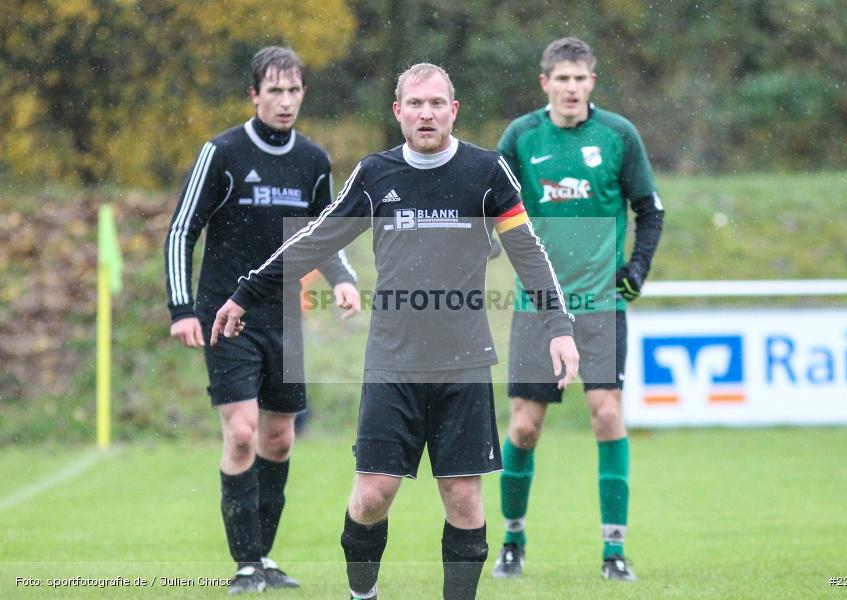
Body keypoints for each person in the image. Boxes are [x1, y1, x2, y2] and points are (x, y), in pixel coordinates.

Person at [210, 63, 580, 600]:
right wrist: (247, 292)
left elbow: (527, 252)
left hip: (464, 361)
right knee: (372, 496)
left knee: (463, 498)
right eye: (415, 104)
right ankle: (363, 595)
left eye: (436, 104)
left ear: (453, 110)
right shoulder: (375, 175)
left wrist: (559, 326)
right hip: (392, 362)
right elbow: (315, 240)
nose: (426, 113)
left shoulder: (487, 172)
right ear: (398, 112)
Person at [163, 46, 361, 595]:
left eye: (294, 90)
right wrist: (182, 309)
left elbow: (324, 234)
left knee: (279, 439)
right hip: (226, 317)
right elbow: (182, 231)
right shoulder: (221, 153)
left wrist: (342, 277)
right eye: (274, 90)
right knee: (245, 433)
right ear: (254, 95)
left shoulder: (313, 161)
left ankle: (266, 557)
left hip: (284, 318)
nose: (285, 101)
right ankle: (246, 563)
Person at [491, 37, 664, 582]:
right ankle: (513, 541)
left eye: (579, 79)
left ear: (592, 82)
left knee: (609, 415)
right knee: (524, 429)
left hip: (600, 305)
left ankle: (614, 552)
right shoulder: (521, 137)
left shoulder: (618, 136)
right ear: (545, 83)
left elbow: (650, 209)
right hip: (537, 307)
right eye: (560, 79)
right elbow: (491, 206)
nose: (570, 88)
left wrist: (635, 271)